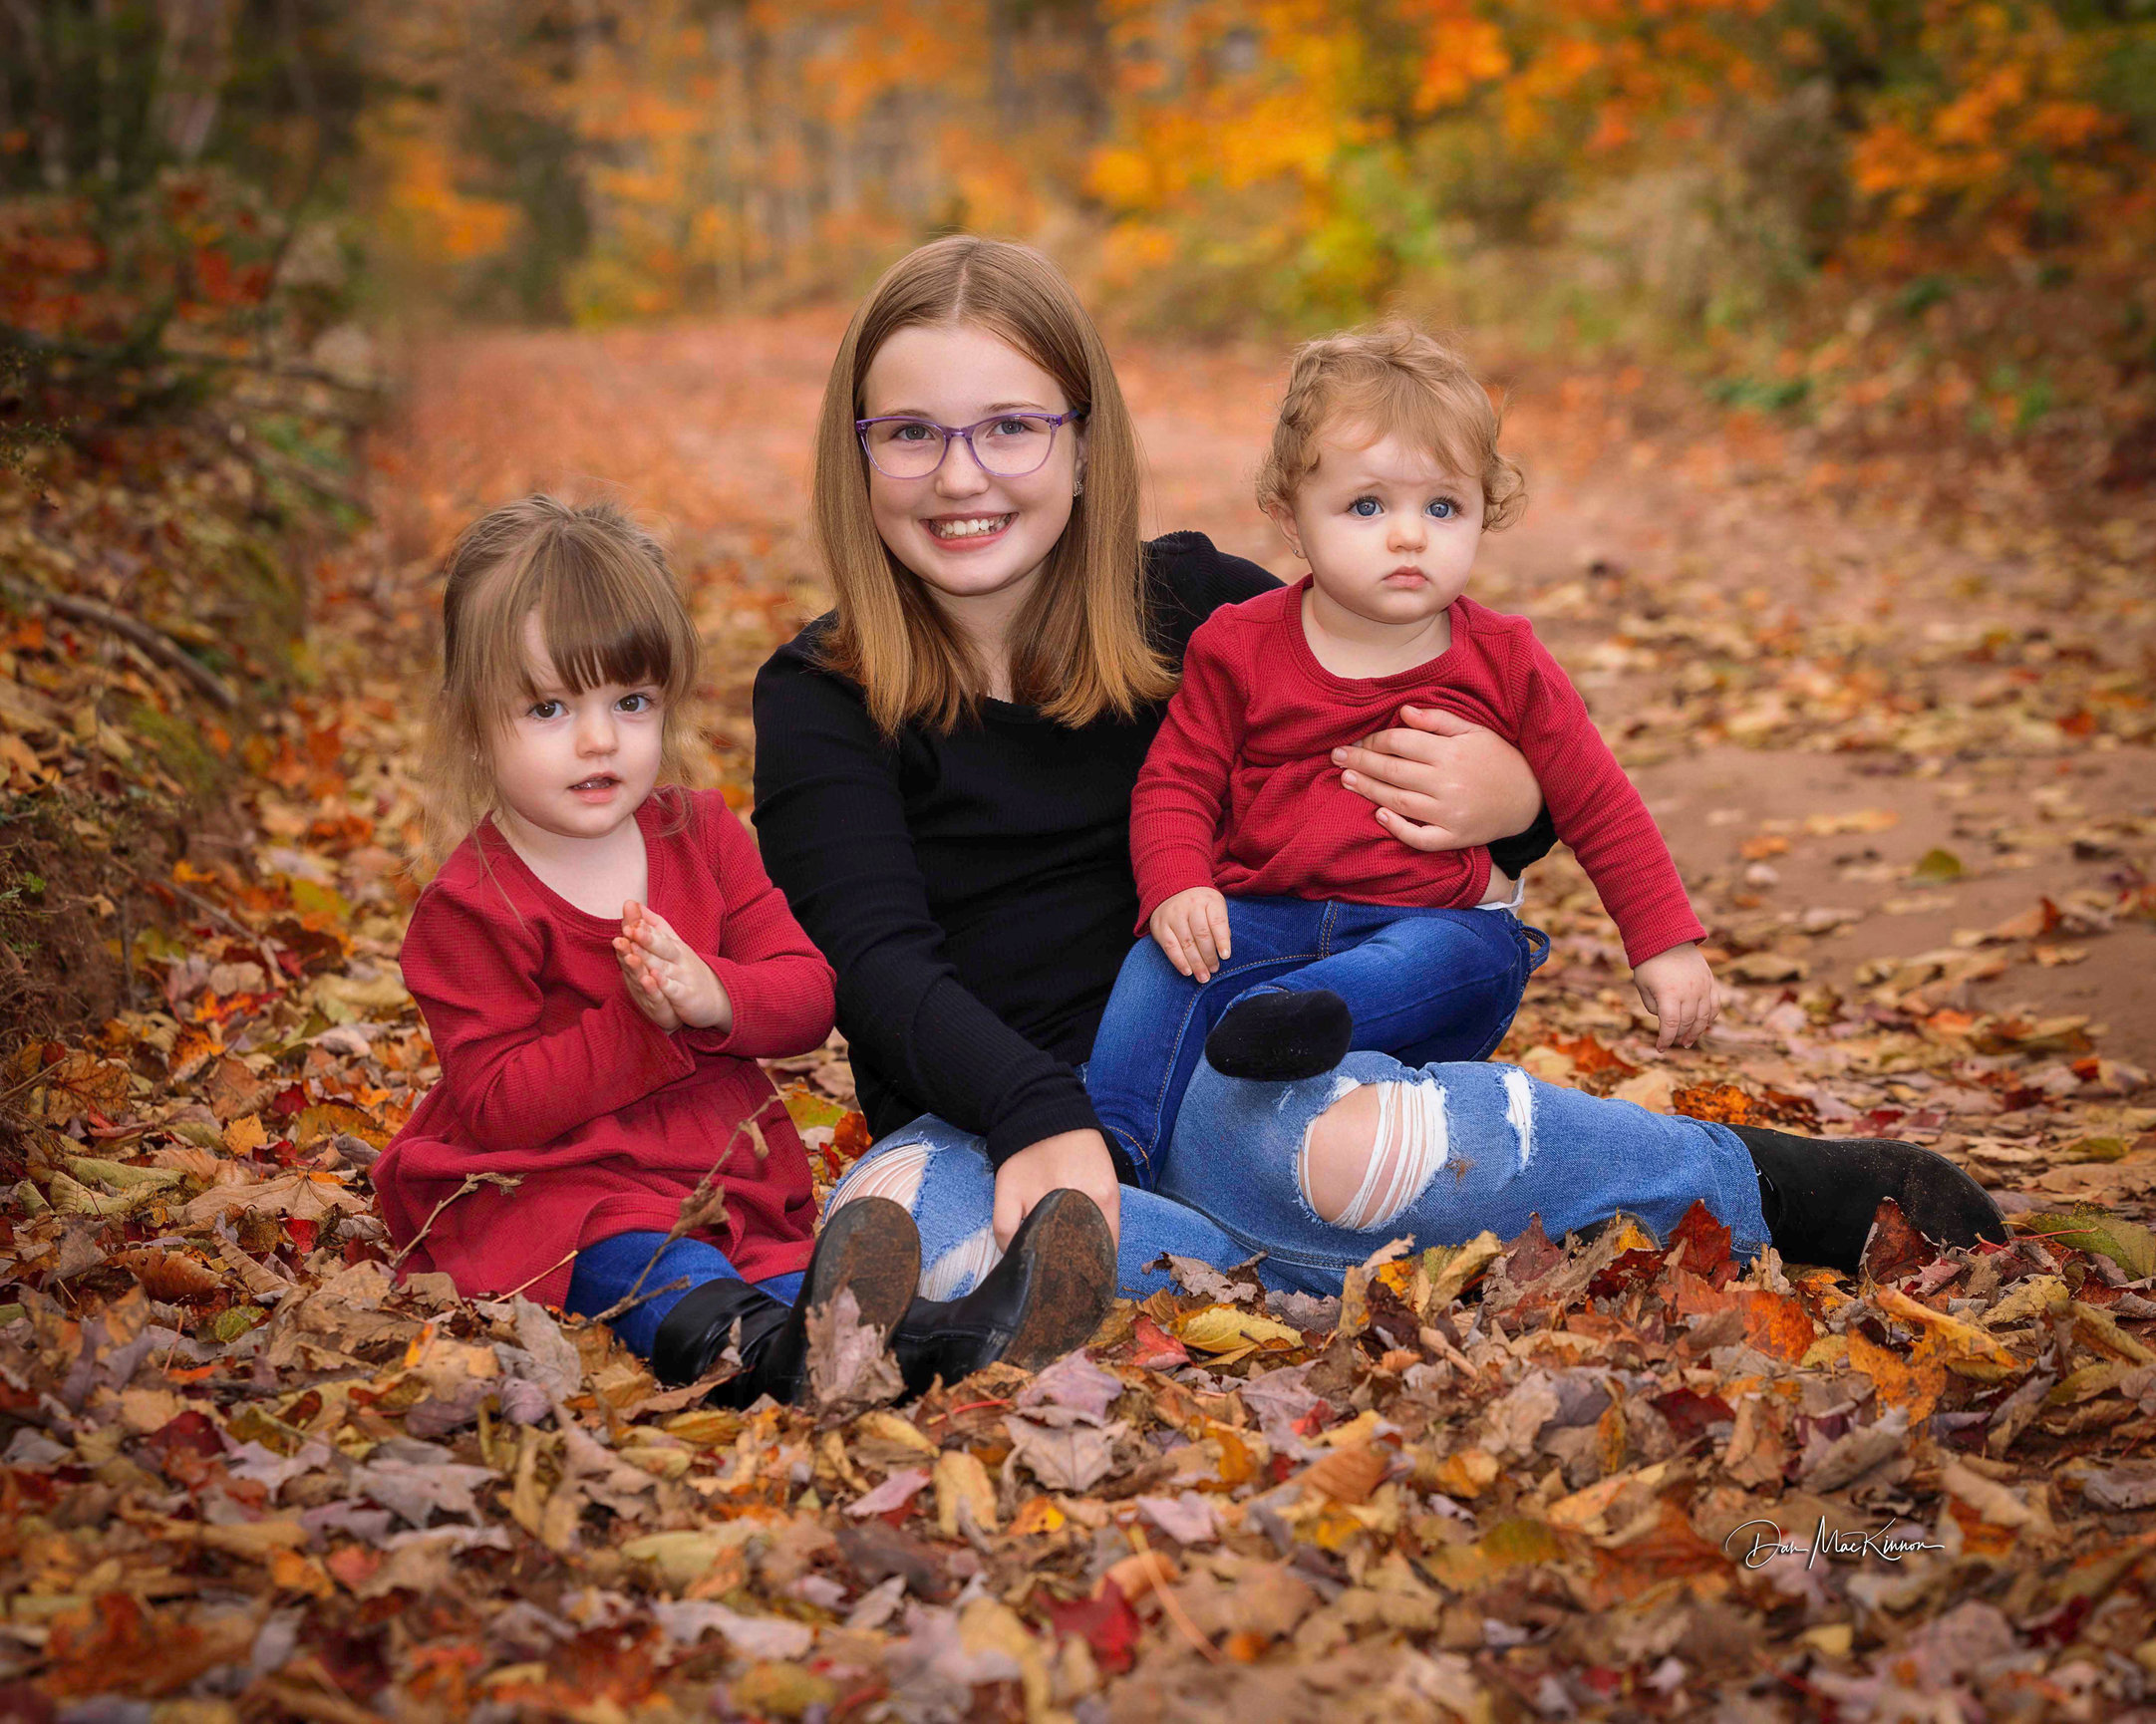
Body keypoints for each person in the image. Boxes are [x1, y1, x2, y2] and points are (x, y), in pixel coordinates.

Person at [752, 234, 2008, 1315]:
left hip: (1257, 1073)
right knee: (895, 1239)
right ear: (857, 456)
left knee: (1327, 1150)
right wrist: (1040, 1113)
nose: (961, 475)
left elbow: (1423, 770)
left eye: (1011, 427)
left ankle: (1749, 1182)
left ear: (1084, 446)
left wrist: (1513, 804)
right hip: (989, 1106)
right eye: (912, 433)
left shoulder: (1205, 609)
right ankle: (1262, 1266)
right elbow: (880, 967)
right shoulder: (821, 696)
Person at [373, 494, 1111, 1408]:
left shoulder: (701, 835)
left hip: (721, 1173)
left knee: (780, 1267)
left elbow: (806, 993)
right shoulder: (471, 907)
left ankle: (939, 1336)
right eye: (549, 707)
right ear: (474, 720)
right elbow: (494, 1104)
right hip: (558, 1189)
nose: (599, 738)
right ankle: (767, 1355)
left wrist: (715, 997)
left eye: (630, 701)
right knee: (640, 1258)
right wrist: (644, 1030)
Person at [1085, 322, 1717, 1184]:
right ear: (1289, 518)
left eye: (1442, 507)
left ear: (1484, 513)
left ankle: (1282, 1027)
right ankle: (1114, 1147)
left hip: (1435, 924)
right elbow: (1175, 782)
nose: (1409, 536)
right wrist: (1178, 885)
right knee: (1165, 962)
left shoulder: (1505, 659)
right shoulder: (1238, 645)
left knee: (1461, 957)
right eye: (1367, 506)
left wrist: (1663, 942)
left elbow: (1598, 800)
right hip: (1265, 916)